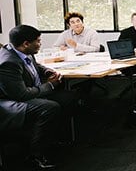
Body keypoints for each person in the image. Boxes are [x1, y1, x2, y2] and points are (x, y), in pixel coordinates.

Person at [0, 25, 79, 169]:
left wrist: (48, 71)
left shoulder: (22, 50)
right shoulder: (8, 62)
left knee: (69, 97)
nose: (40, 44)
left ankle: (53, 139)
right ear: (26, 44)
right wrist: (51, 86)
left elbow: (34, 65)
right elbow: (21, 94)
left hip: (29, 90)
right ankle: (35, 155)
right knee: (49, 108)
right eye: (38, 41)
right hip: (11, 100)